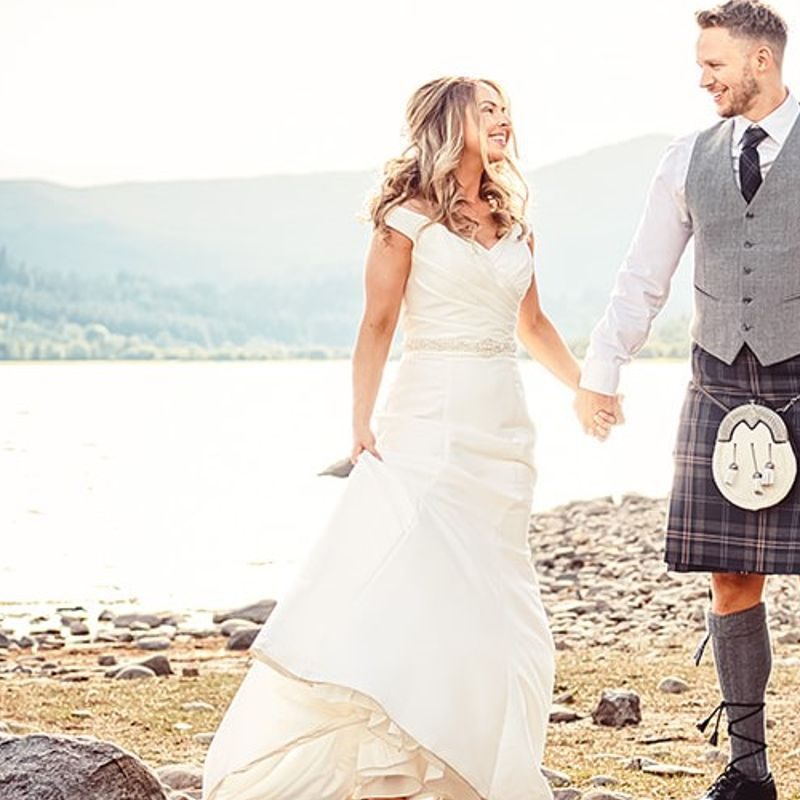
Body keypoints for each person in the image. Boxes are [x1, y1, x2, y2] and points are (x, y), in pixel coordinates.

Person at [203, 76, 590, 800]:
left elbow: (533, 327)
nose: (505, 121)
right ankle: (401, 742)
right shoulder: (405, 216)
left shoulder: (515, 221)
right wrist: (360, 425)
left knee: (502, 605)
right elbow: (377, 325)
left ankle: (475, 754)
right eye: (489, 111)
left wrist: (587, 389)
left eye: (508, 112)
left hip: (504, 428)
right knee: (426, 583)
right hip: (429, 421)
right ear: (451, 124)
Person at [576, 2, 796, 798]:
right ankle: (748, 772)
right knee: (731, 577)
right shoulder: (685, 157)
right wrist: (604, 368)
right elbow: (644, 275)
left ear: (761, 62)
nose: (702, 79)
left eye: (715, 65)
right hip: (719, 379)